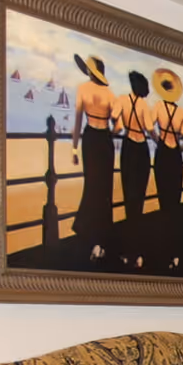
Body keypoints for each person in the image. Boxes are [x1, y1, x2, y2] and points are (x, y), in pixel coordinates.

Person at [71, 55, 114, 259]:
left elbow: (78, 120)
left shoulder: (83, 89)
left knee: (92, 184)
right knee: (104, 189)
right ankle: (102, 240)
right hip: (105, 140)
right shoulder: (110, 93)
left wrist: (73, 148)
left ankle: (87, 232)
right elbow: (119, 123)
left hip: (90, 139)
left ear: (90, 71)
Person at [113, 71, 153, 228]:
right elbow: (150, 129)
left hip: (128, 146)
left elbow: (114, 117)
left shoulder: (122, 99)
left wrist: (115, 129)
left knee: (128, 190)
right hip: (142, 149)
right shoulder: (144, 105)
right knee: (140, 192)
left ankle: (130, 223)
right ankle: (137, 224)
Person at [149, 68, 183, 238]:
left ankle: (164, 233)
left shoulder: (158, 106)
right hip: (176, 155)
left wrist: (158, 140)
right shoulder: (181, 112)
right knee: (175, 196)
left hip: (163, 153)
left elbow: (149, 126)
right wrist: (180, 148)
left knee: (163, 195)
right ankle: (174, 233)